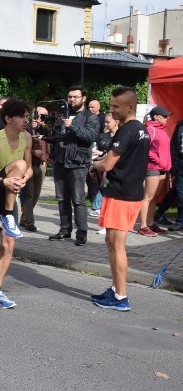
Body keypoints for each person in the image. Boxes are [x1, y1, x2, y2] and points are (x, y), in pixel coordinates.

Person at [90, 87, 149, 311]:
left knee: (116, 245)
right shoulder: (139, 129)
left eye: (116, 106)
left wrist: (94, 164)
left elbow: (107, 164)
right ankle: (116, 290)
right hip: (129, 192)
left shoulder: (127, 130)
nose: (111, 110)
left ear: (130, 107)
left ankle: (120, 296)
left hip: (122, 193)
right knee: (113, 243)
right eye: (111, 105)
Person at [0, 99, 34, 309]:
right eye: (22, 116)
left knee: (8, 245)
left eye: (27, 116)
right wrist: (5, 181)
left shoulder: (27, 138)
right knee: (18, 164)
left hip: (11, 190)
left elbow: (28, 168)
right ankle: (8, 214)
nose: (26, 121)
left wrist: (23, 179)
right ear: (8, 118)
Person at [49, 86, 100, 246]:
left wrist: (73, 126)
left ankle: (81, 234)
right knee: (62, 199)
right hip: (60, 161)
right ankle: (64, 230)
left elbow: (90, 136)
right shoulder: (63, 115)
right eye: (70, 97)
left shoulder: (90, 117)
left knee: (78, 200)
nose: (72, 100)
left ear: (83, 98)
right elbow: (57, 136)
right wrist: (44, 133)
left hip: (77, 162)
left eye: (75, 97)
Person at [137, 106, 172, 236]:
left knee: (155, 197)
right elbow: (145, 149)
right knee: (148, 197)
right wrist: (157, 160)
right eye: (165, 116)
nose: (167, 118)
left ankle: (151, 223)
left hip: (163, 168)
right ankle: (143, 226)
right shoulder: (150, 129)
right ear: (156, 117)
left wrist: (166, 164)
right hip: (152, 168)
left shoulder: (162, 130)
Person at [19, 105, 50, 232]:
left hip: (41, 165)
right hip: (28, 165)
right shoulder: (26, 129)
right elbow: (21, 146)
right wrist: (32, 152)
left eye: (44, 116)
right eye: (40, 116)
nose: (42, 119)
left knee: (36, 195)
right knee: (29, 194)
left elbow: (49, 143)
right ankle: (29, 222)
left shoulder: (45, 129)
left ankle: (23, 218)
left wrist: (46, 159)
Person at [156, 116, 183, 228]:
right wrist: (172, 166)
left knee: (177, 191)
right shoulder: (180, 124)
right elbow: (174, 145)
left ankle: (159, 213)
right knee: (179, 191)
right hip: (180, 162)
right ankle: (180, 221)